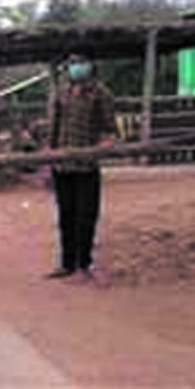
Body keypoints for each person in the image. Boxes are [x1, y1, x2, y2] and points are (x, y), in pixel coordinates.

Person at [45, 53, 117, 281]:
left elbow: (109, 130)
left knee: (86, 215)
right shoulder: (61, 93)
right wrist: (49, 156)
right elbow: (53, 128)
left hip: (87, 165)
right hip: (62, 165)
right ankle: (67, 263)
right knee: (66, 214)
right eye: (73, 63)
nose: (76, 67)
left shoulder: (101, 94)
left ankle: (83, 265)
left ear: (91, 65)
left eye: (81, 62)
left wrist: (104, 144)